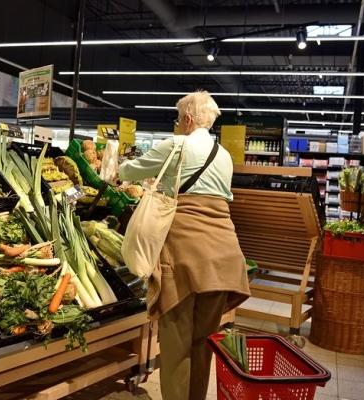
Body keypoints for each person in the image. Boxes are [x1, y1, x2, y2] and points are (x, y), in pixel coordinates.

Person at [118, 90, 251, 400]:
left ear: (188, 119)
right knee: (203, 342)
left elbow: (128, 172)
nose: (177, 125)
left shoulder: (177, 144)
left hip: (185, 255)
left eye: (178, 120)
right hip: (225, 257)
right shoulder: (224, 155)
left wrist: (120, 166)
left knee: (177, 344)